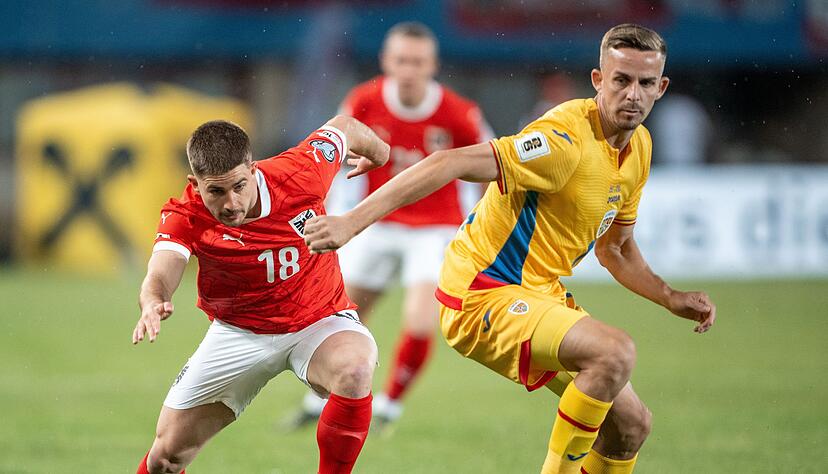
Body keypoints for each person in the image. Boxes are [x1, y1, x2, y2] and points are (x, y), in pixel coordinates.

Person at [303, 24, 717, 474]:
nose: (632, 94)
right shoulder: (563, 142)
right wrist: (350, 222)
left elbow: (615, 249)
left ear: (662, 88)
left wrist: (670, 297)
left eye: (645, 83)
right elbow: (447, 161)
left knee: (631, 426)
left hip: (538, 294)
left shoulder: (639, 147)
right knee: (614, 352)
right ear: (599, 80)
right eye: (621, 80)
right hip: (483, 291)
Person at [132, 116, 389, 474]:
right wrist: (153, 301)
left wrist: (380, 152)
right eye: (216, 192)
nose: (231, 203)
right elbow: (161, 269)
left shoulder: (301, 171)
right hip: (238, 333)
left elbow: (345, 127)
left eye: (239, 186)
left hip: (318, 321)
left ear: (253, 170)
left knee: (355, 367)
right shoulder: (185, 215)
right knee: (166, 458)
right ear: (196, 184)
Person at [288, 21, 492, 431]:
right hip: (374, 221)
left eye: (417, 61)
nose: (408, 69)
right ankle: (318, 400)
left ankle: (390, 406)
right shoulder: (363, 100)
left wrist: (481, 222)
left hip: (435, 227)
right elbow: (329, 150)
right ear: (386, 61)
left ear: (432, 65)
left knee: (419, 318)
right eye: (401, 60)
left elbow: (492, 164)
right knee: (342, 314)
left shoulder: (459, 112)